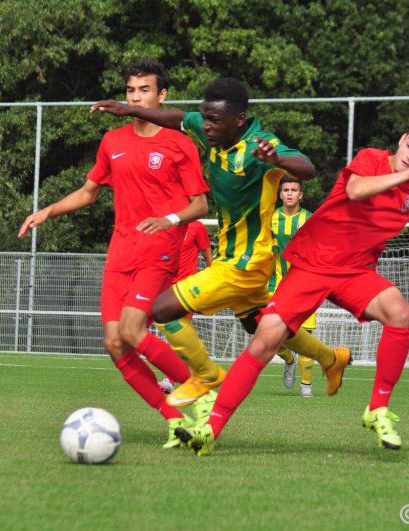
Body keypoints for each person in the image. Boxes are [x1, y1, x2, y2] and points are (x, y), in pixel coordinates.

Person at [174, 118, 409, 456]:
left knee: (400, 314)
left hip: (354, 272)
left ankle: (377, 409)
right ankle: (211, 428)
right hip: (313, 264)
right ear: (401, 138)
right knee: (266, 340)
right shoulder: (370, 158)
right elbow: (355, 190)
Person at [91, 78, 350, 409]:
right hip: (237, 256)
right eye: (205, 118)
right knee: (257, 323)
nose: (207, 126)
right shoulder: (210, 126)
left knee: (163, 309)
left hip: (247, 261)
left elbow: (307, 167)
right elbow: (179, 118)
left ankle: (205, 374)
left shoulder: (261, 145)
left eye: (214, 120)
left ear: (239, 119)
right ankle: (330, 358)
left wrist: (278, 161)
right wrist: (130, 109)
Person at [18, 59, 210, 448]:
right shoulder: (114, 141)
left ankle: (202, 388)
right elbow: (88, 193)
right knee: (114, 343)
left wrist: (169, 219)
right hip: (120, 254)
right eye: (130, 90)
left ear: (162, 96)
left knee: (131, 330)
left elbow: (200, 205)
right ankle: (175, 420)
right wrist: (47, 211)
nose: (136, 96)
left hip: (158, 252)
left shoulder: (179, 143)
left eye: (144, 90)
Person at [269, 176, 317, 398]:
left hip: (304, 287)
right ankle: (289, 360)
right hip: (275, 286)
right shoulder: (270, 218)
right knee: (273, 339)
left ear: (301, 195)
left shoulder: (309, 219)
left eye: (293, 190)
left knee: (305, 340)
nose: (289, 193)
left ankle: (306, 386)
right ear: (280, 195)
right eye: (285, 190)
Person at [157, 220, 214, 394]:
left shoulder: (197, 227)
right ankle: (200, 365)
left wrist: (213, 283)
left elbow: (208, 257)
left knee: (177, 333)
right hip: (166, 287)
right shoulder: (166, 224)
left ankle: (170, 379)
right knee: (175, 334)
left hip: (187, 290)